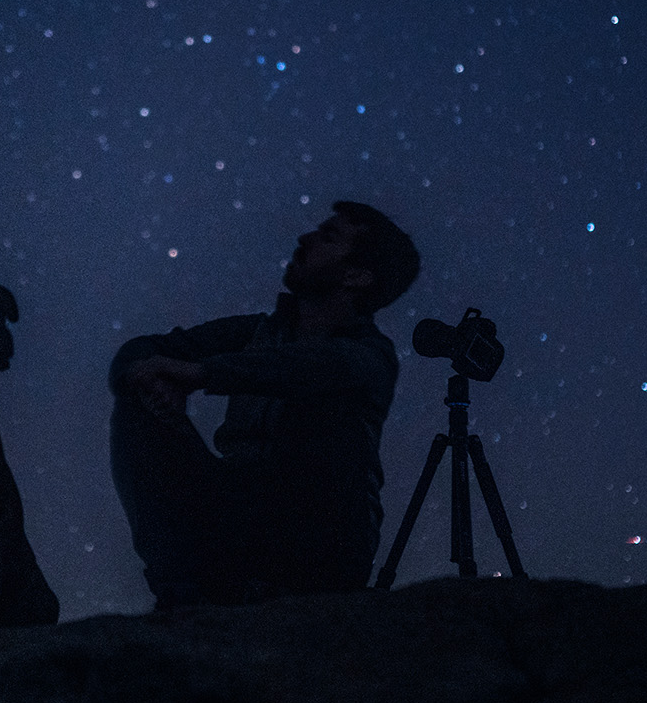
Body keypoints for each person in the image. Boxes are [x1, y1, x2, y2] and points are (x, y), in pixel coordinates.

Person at [108, 200, 421, 608]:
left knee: (324, 404)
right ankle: (185, 592)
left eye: (328, 236)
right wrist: (145, 376)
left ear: (357, 276)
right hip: (233, 512)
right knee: (138, 408)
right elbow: (143, 350)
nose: (304, 238)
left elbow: (307, 368)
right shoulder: (254, 332)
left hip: (320, 544)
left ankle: (292, 592)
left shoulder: (370, 356)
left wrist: (201, 374)